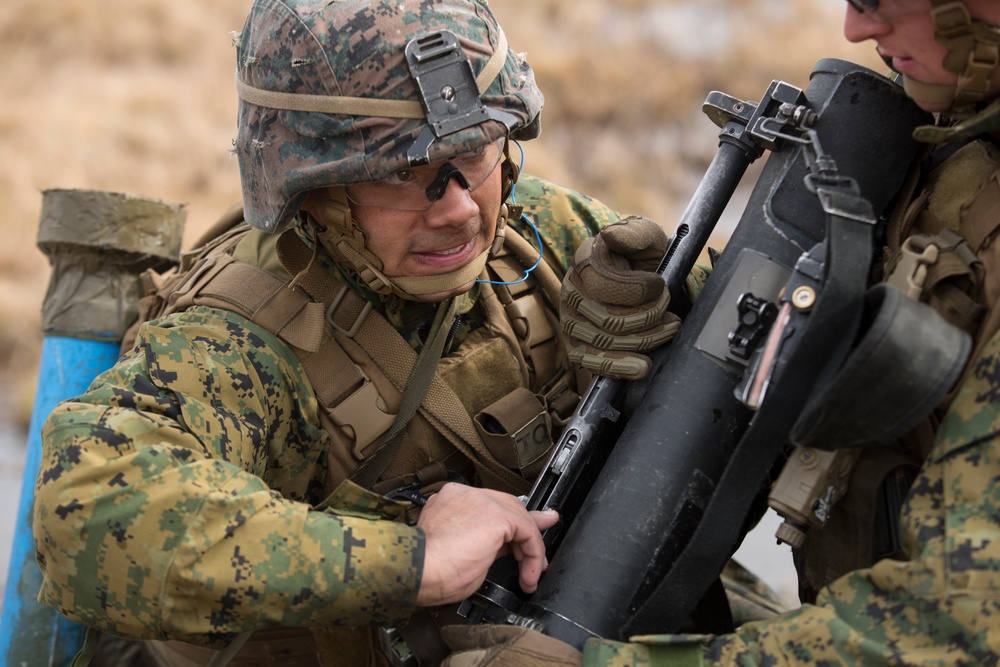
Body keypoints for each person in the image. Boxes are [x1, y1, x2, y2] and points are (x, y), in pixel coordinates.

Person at [31, 0, 689, 665]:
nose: (460, 208)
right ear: (309, 191)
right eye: (403, 172)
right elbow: (87, 510)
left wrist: (673, 313)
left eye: (477, 148)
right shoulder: (240, 342)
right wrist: (414, 562)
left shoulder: (535, 234)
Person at [440, 0, 1000, 664]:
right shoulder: (956, 138)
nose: (856, 28)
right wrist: (683, 309)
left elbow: (962, 619)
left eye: (881, 1)